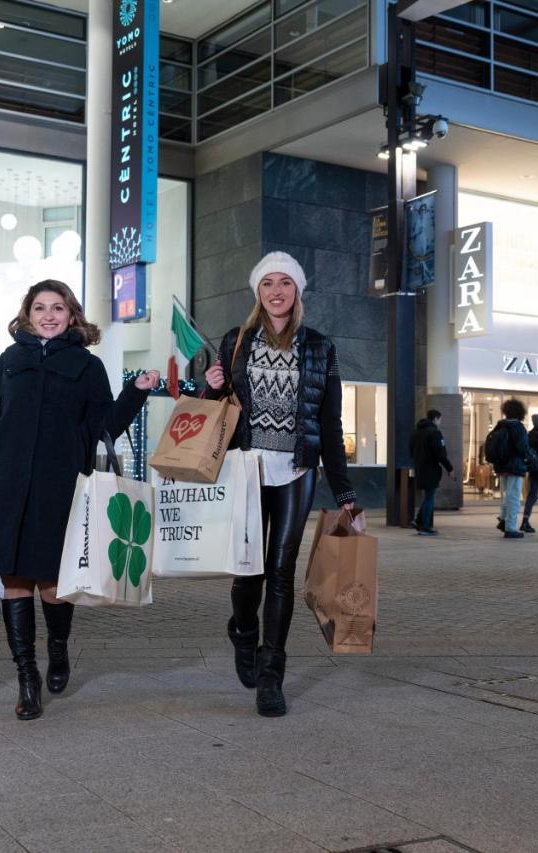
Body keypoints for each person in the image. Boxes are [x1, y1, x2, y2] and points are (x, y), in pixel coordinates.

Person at [0, 280, 158, 721]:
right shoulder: (11, 360)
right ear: (27, 315)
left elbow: (103, 425)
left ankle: (57, 646)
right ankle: (26, 677)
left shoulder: (87, 367)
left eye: (57, 308)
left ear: (72, 315)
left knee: (53, 586)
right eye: (39, 308)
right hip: (6, 489)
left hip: (59, 492)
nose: (48, 315)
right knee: (13, 582)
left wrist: (137, 391)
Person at [205, 251, 355, 718]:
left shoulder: (320, 347)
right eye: (267, 283)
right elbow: (214, 410)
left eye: (285, 283)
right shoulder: (237, 341)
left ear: (297, 291)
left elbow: (330, 424)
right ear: (257, 292)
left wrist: (346, 492)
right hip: (245, 467)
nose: (276, 291)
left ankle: (271, 673)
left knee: (281, 570)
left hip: (296, 470)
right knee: (248, 569)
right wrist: (209, 386)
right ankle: (243, 630)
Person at [488, 399, 535, 539]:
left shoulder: (500, 426)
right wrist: (530, 458)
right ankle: (510, 528)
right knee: (514, 497)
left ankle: (503, 519)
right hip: (515, 466)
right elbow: (522, 448)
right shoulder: (518, 427)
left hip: (501, 466)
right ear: (520, 413)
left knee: (507, 495)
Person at [410, 410, 453, 536]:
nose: (440, 422)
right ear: (435, 419)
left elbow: (411, 451)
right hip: (431, 469)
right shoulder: (435, 433)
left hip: (419, 468)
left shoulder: (415, 432)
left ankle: (418, 520)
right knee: (430, 497)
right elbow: (441, 454)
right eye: (440, 419)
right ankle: (425, 526)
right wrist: (449, 469)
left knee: (428, 496)